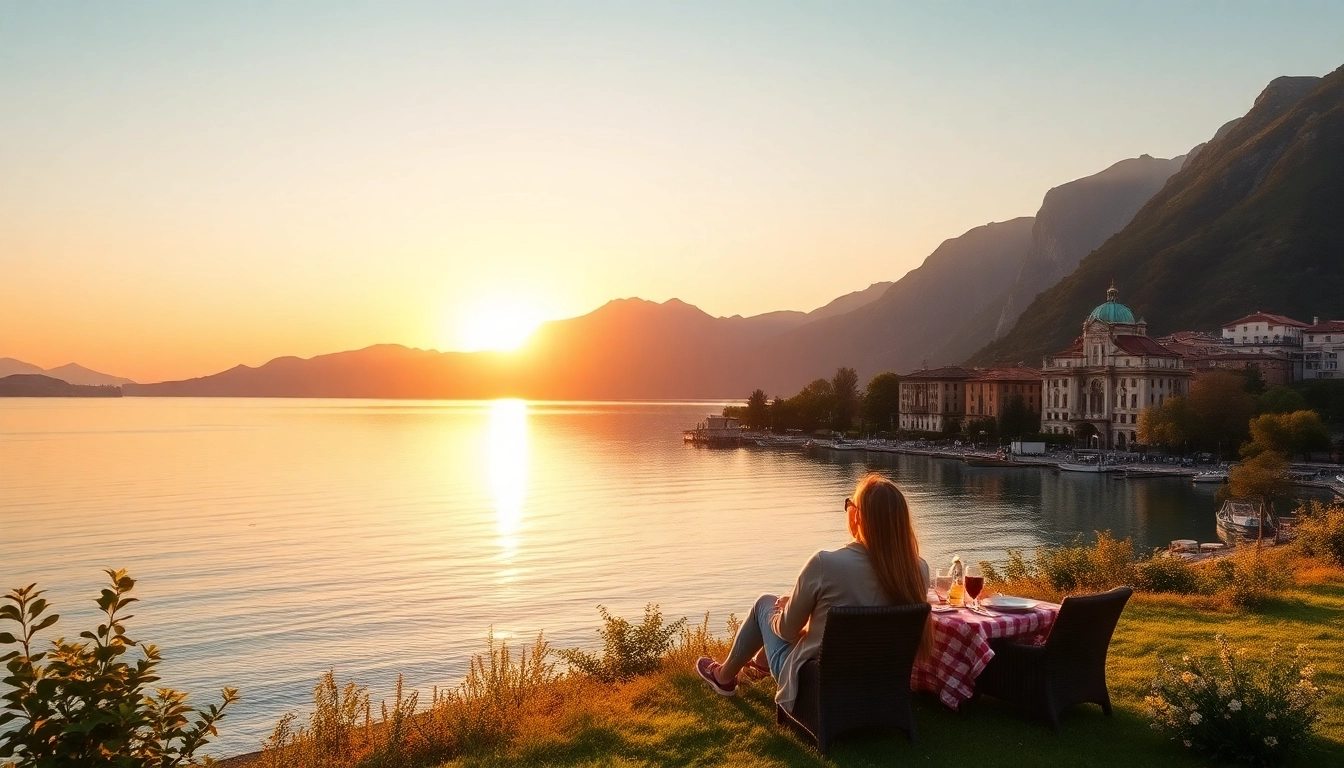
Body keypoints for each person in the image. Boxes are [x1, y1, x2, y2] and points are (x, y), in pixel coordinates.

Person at [694, 473, 931, 712]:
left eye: (850, 505)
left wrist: (780, 611)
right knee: (803, 615)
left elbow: (785, 631)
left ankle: (723, 677)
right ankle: (761, 664)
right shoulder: (917, 570)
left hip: (816, 683)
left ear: (858, 517)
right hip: (879, 684)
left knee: (764, 604)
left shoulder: (825, 564)